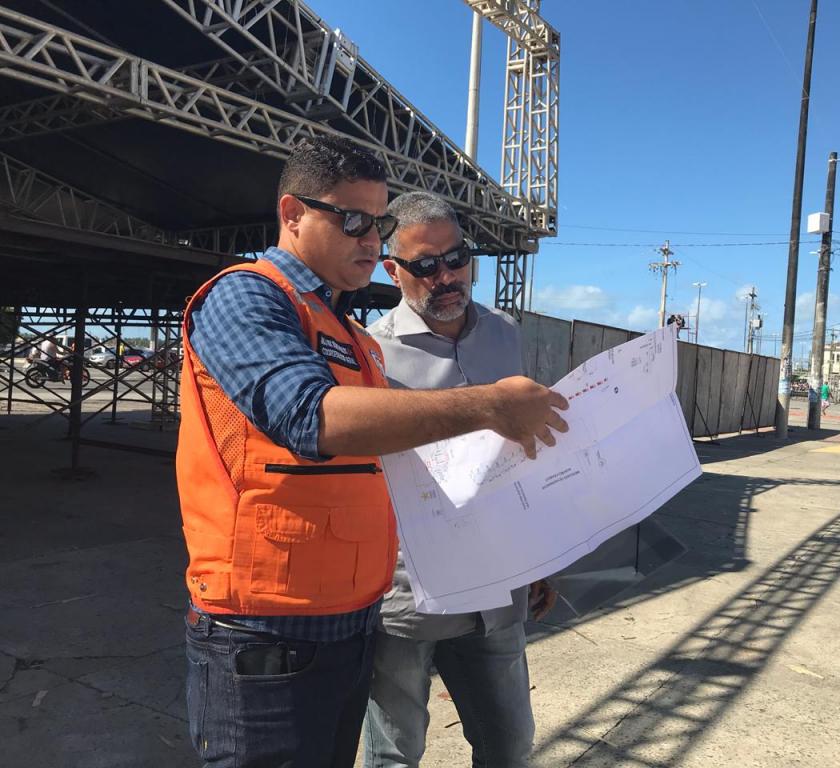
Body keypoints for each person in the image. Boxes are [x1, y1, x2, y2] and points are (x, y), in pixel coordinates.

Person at [177, 136, 569, 768]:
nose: (369, 238)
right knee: (391, 753)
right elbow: (309, 416)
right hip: (269, 620)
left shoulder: (350, 336)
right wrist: (489, 405)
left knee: (506, 743)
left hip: (352, 612)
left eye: (378, 223)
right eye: (353, 220)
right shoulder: (247, 297)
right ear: (292, 213)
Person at [362, 192, 555, 768]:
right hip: (409, 592)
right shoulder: (370, 350)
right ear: (392, 269)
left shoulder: (504, 333)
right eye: (425, 265)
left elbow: (521, 450)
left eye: (457, 258)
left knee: (510, 744)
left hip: (498, 582)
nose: (445, 276)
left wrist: (540, 557)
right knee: (395, 752)